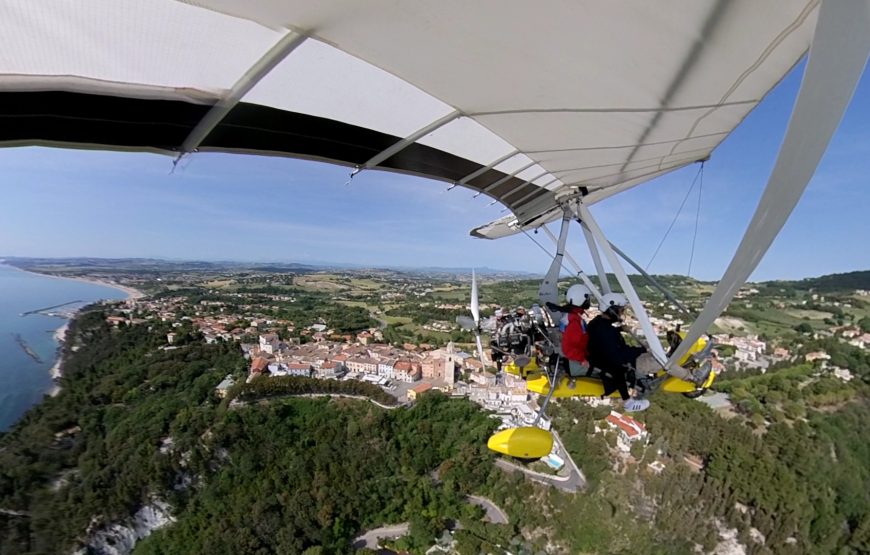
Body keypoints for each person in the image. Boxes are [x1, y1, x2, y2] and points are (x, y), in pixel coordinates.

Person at [586, 293, 650, 412]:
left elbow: (605, 333)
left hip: (595, 353)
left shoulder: (597, 322)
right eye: (620, 311)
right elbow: (618, 355)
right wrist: (640, 350)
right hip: (600, 360)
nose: (621, 314)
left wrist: (619, 329)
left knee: (618, 363)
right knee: (619, 367)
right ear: (612, 310)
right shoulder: (607, 331)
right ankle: (628, 402)